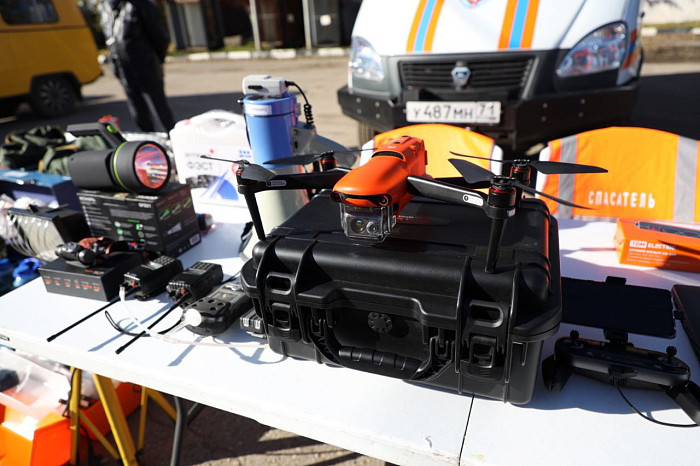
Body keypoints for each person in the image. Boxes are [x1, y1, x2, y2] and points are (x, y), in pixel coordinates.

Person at [99, 0, 175, 132]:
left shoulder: (139, 4)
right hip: (123, 69)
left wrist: (160, 59)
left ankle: (171, 138)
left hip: (145, 66)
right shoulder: (105, 6)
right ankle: (147, 142)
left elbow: (158, 34)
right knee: (139, 115)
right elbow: (110, 38)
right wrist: (114, 65)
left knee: (160, 111)